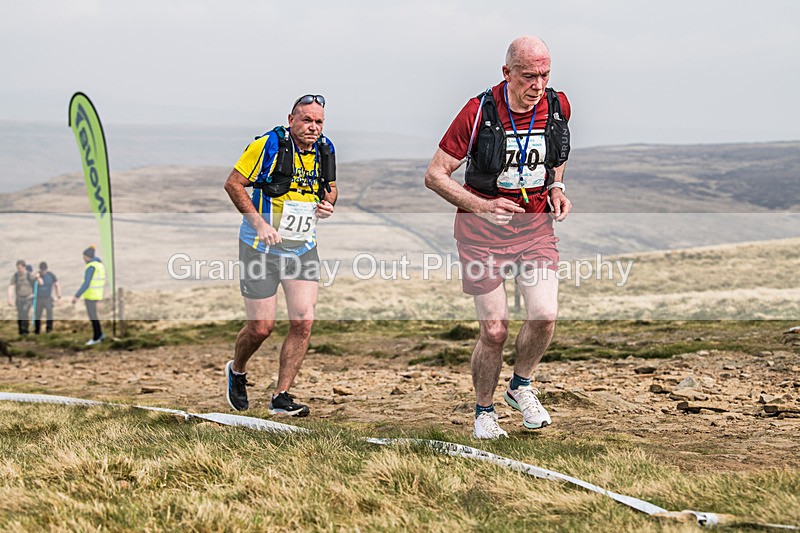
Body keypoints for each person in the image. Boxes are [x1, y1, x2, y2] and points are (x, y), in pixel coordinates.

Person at [424, 36, 572, 439]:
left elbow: (556, 158)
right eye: (528, 76)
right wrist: (482, 205)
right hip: (481, 237)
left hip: (536, 229)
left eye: (544, 75)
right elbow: (435, 175)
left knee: (544, 316)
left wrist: (557, 189)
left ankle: (520, 386)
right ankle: (483, 412)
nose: (538, 85)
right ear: (507, 73)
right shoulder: (477, 113)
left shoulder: (558, 106)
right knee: (495, 330)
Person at [223, 94, 337, 416]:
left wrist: (329, 204)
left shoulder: (325, 150)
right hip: (261, 248)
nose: (313, 127)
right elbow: (233, 184)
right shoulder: (268, 145)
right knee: (261, 327)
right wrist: (259, 224)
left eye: (319, 122)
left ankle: (281, 396)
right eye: (306, 120)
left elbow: (330, 188)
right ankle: (238, 370)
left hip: (301, 247)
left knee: (303, 320)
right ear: (291, 119)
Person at [71, 246, 106, 346]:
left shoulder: (91, 266)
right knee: (95, 316)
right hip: (98, 294)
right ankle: (100, 334)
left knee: (93, 317)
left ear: (87, 257)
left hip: (91, 295)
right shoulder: (99, 265)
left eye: (84, 256)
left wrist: (77, 296)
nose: (83, 258)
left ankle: (96, 337)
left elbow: (86, 283)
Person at [7, 260, 35, 335]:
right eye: (17, 268)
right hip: (19, 298)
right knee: (20, 314)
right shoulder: (15, 276)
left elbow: (36, 284)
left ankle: (25, 332)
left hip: (28, 298)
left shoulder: (29, 275)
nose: (19, 269)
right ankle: (21, 331)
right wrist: (10, 298)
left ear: (24, 267)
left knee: (25, 312)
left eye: (20, 267)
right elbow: (11, 286)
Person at [33, 262, 61, 334]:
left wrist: (58, 297)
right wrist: (38, 277)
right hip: (39, 298)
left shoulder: (51, 275)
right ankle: (37, 330)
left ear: (47, 269)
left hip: (48, 297)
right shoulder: (37, 275)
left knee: (49, 313)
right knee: (38, 314)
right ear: (40, 270)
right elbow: (40, 283)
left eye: (45, 270)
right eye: (42, 271)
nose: (44, 272)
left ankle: (49, 329)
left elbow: (57, 285)